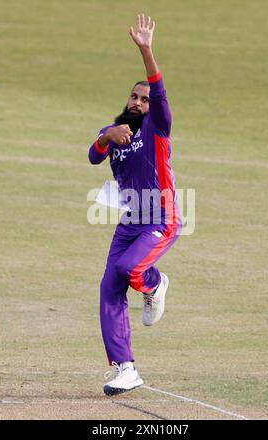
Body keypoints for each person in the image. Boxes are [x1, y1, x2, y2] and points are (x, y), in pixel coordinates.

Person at [88, 14, 182, 396]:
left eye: (144, 99)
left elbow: (158, 88)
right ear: (126, 101)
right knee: (109, 286)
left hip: (162, 217)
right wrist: (108, 135)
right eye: (134, 96)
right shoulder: (114, 133)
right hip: (131, 221)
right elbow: (94, 156)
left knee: (130, 268)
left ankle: (155, 283)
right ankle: (126, 368)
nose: (140, 102)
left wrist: (146, 49)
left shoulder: (157, 125)